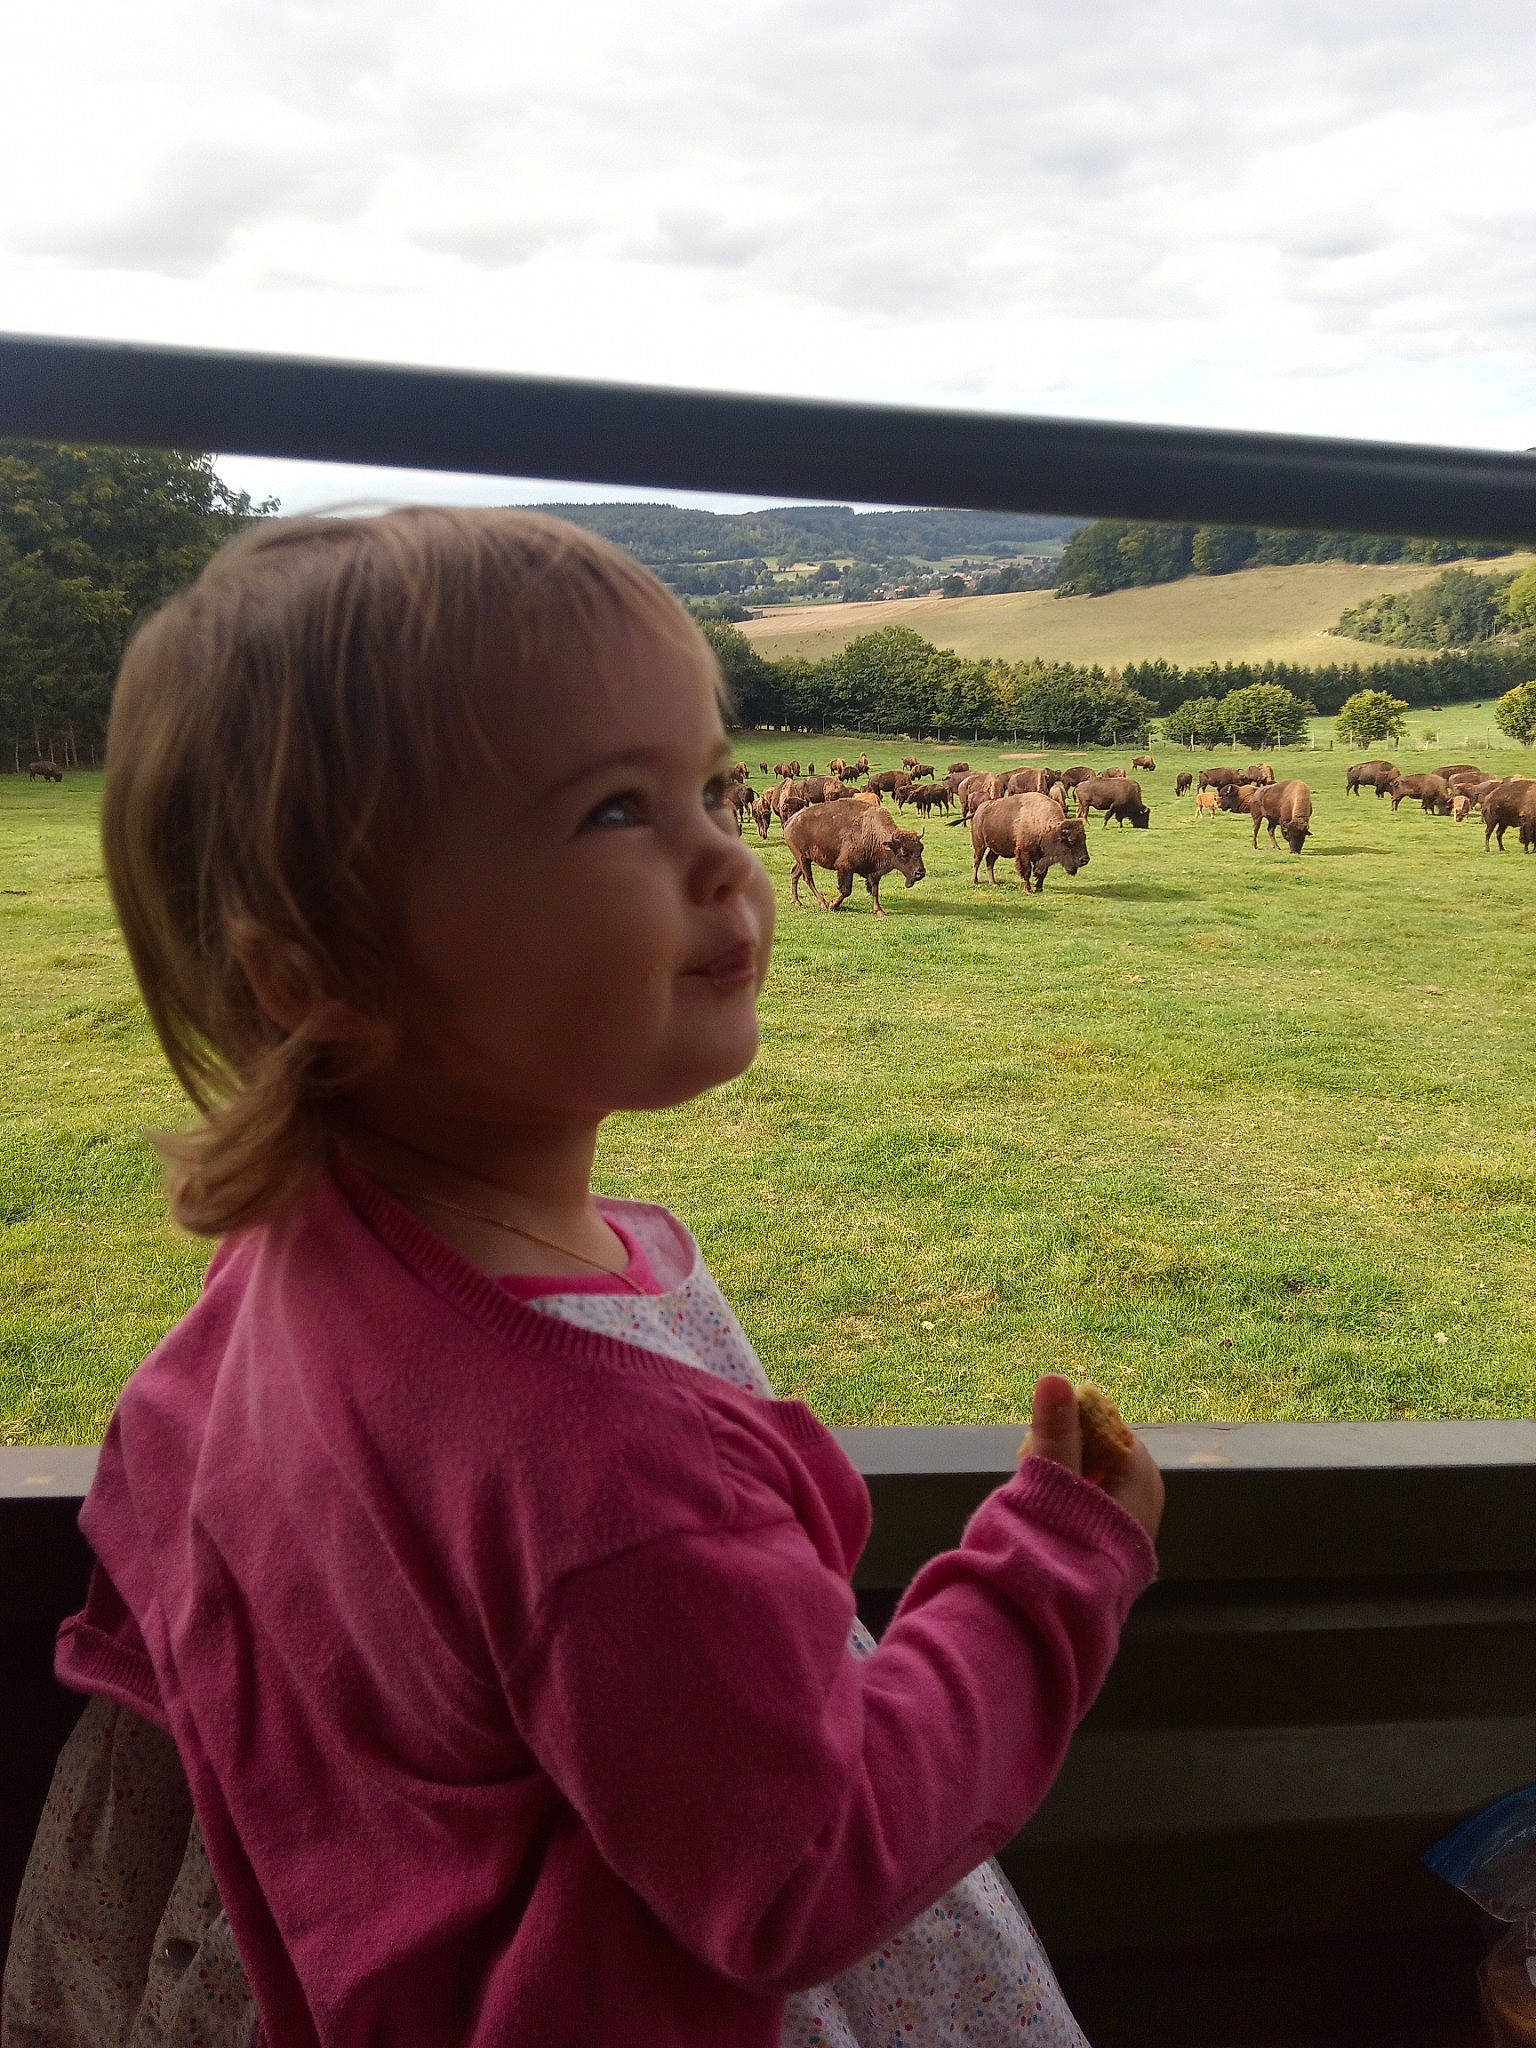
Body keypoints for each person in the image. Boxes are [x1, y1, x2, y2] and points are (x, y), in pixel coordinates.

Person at [3, 509, 1163, 2048]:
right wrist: (1051, 1577)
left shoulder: (297, 1251)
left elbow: (158, 1500)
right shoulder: (603, 1471)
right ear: (324, 974)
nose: (735, 855)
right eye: (620, 810)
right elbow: (808, 1864)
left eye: (714, 787)